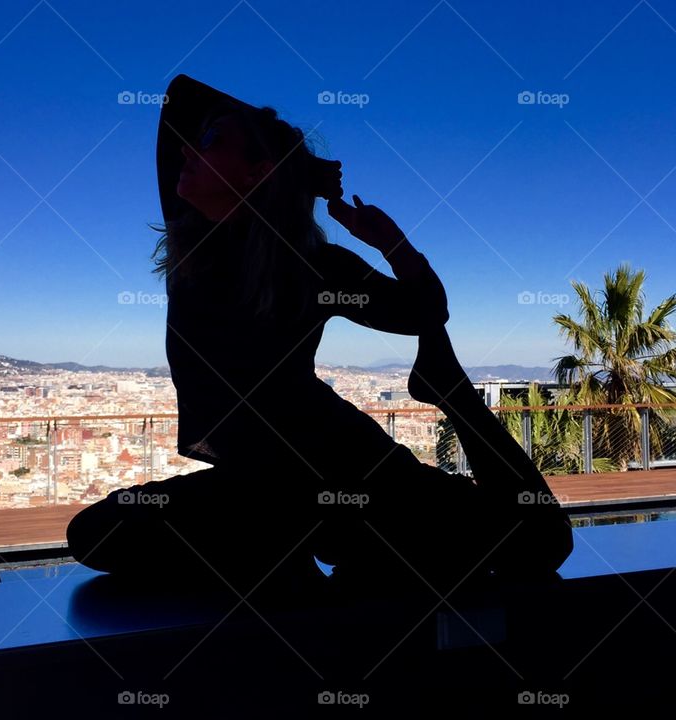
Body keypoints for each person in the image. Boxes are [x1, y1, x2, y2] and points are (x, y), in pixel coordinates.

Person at [65, 74, 573, 597]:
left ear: (259, 173)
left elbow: (427, 311)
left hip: (343, 464)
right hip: (259, 486)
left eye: (212, 141)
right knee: (95, 535)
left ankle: (451, 392)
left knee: (538, 542)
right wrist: (299, 167)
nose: (188, 149)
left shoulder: (309, 264)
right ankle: (318, 545)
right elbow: (184, 102)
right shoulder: (190, 246)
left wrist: (389, 241)